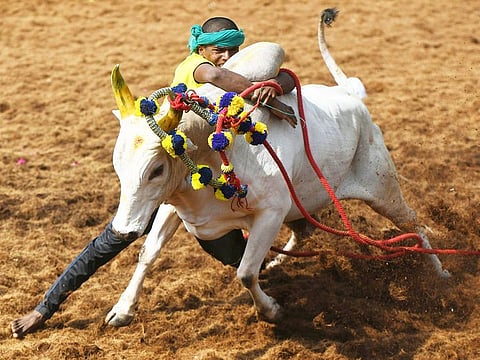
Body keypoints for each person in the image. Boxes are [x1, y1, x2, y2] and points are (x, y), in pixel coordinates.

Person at [10, 16, 297, 339]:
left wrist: (274, 88)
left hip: (206, 181)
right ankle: (44, 308)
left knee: (240, 258)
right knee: (112, 241)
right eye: (220, 50)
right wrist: (265, 96)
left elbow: (284, 77)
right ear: (201, 47)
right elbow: (216, 75)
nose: (227, 58)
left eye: (234, 50)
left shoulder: (231, 73)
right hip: (167, 172)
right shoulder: (196, 67)